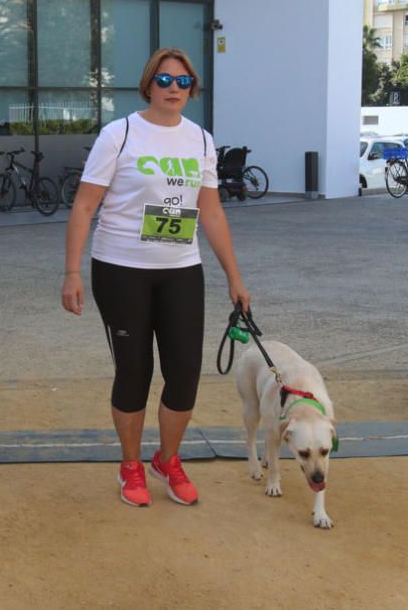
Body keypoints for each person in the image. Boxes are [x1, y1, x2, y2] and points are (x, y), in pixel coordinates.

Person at [61, 47, 251, 507]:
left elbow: (212, 213)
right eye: (164, 81)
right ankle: (131, 466)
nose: (173, 89)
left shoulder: (201, 141)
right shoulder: (120, 134)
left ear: (193, 89)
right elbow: (85, 205)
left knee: (184, 373)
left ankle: (167, 459)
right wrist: (72, 272)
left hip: (181, 270)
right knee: (135, 371)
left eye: (183, 82)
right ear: (149, 84)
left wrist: (235, 278)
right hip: (121, 269)